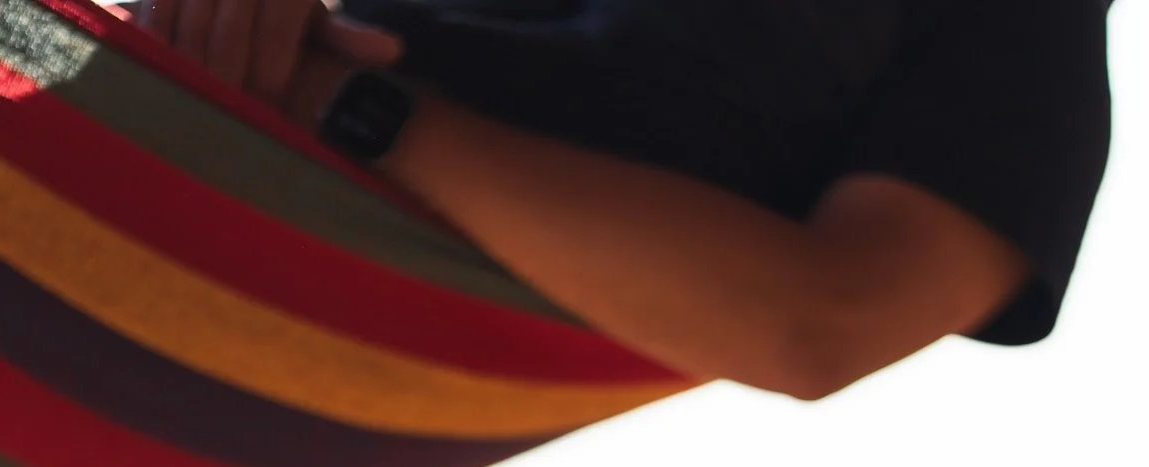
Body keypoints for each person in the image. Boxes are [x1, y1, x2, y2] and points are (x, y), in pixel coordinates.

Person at [136, 0, 1113, 401]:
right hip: (128, 164)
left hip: (291, 245)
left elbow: (820, 322)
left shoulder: (1021, 33)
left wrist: (339, 104)